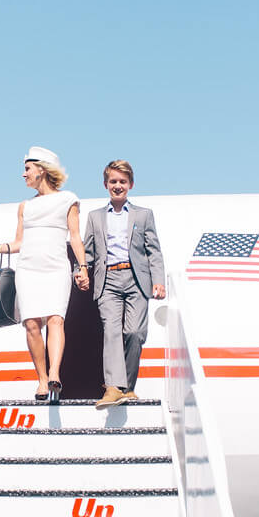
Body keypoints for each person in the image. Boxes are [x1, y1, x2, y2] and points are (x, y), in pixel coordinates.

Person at [0, 147, 90, 403]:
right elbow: (19, 243)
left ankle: (54, 374)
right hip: (28, 269)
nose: (23, 174)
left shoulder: (68, 199)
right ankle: (40, 378)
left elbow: (75, 237)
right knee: (32, 324)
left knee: (56, 320)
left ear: (42, 169)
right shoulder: (25, 206)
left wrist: (82, 267)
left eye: (27, 168)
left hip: (56, 267)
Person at [82, 159, 166, 410]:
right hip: (108, 279)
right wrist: (81, 271)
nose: (117, 186)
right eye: (113, 182)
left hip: (136, 280)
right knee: (112, 331)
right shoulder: (95, 217)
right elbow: (88, 252)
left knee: (135, 333)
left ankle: (127, 388)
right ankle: (112, 387)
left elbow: (154, 251)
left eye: (122, 182)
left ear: (130, 184)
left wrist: (158, 281)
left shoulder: (143, 215)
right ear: (105, 184)